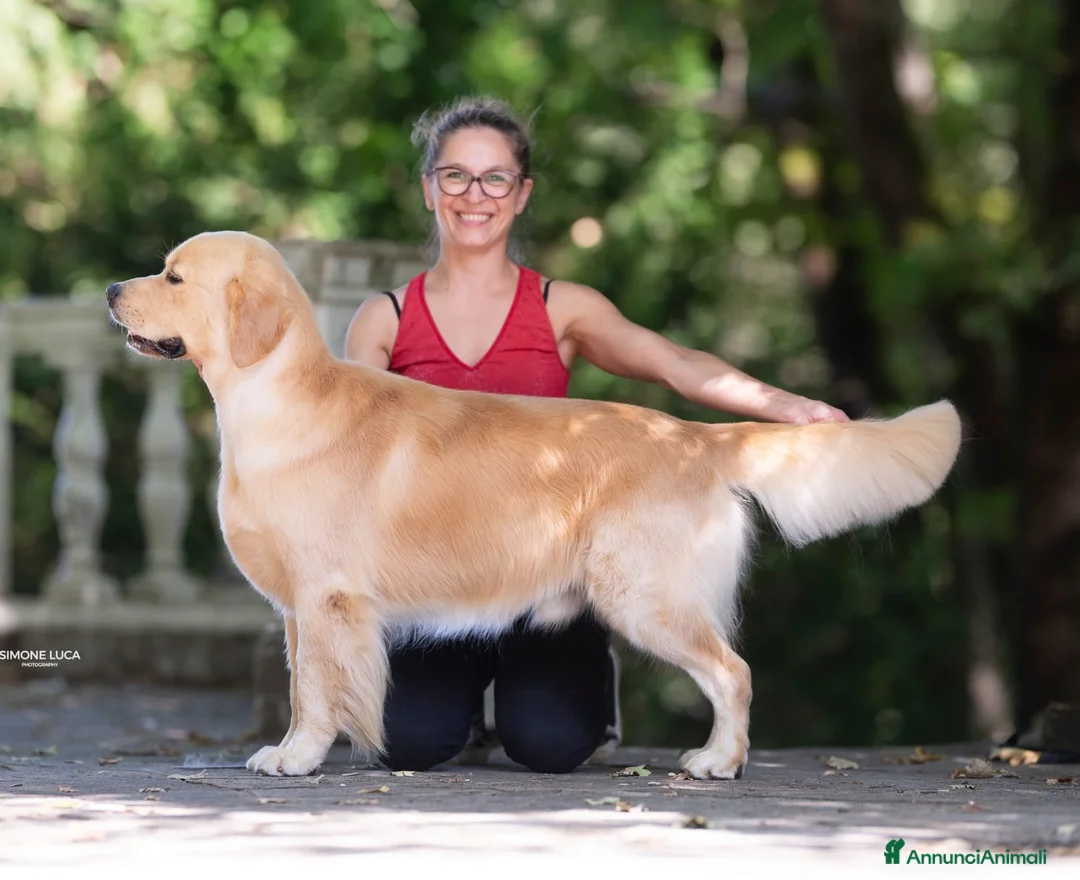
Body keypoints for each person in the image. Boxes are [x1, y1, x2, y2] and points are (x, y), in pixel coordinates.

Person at [344, 96, 849, 774]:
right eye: (456, 175)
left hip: (550, 576)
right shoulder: (383, 319)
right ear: (429, 187)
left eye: (496, 178)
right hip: (437, 583)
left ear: (521, 195)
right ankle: (458, 711)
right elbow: (348, 454)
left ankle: (586, 685)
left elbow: (676, 365)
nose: (475, 195)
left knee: (552, 746)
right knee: (406, 746)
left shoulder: (563, 307)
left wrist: (784, 405)